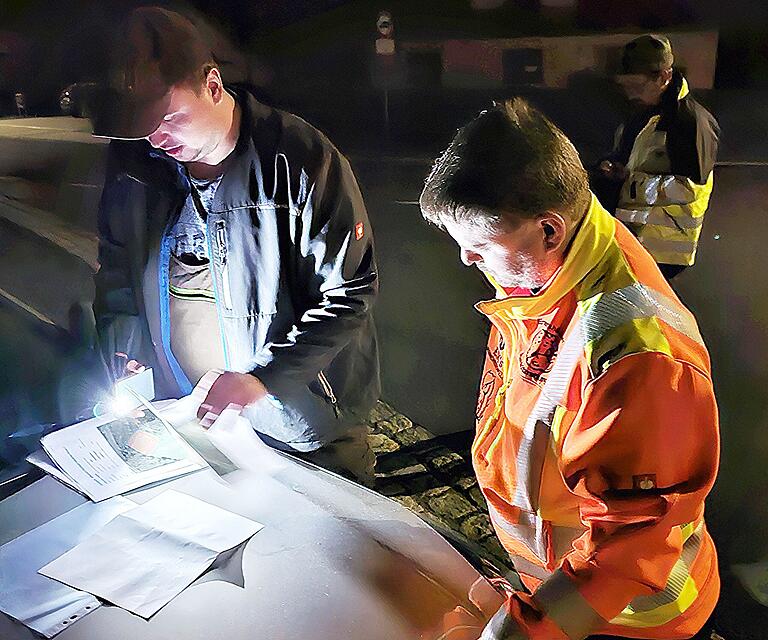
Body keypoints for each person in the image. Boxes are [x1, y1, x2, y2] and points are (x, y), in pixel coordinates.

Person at [419, 99, 720, 639]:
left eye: (481, 247)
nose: (467, 260)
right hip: (568, 587)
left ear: (550, 230)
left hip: (628, 619)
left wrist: (529, 629)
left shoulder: (637, 357)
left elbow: (632, 547)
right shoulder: (545, 271)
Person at [88, 7, 379, 485]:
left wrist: (262, 378)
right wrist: (124, 352)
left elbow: (349, 294)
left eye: (170, 118)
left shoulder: (302, 159)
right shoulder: (137, 165)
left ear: (214, 85)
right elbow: (117, 271)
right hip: (187, 422)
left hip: (301, 425)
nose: (158, 140)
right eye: (144, 128)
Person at [595, 34, 719, 280]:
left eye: (637, 87)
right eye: (626, 87)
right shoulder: (645, 112)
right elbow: (632, 156)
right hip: (638, 241)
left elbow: (690, 189)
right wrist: (612, 165)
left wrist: (628, 182)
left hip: (665, 252)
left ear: (664, 77)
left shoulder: (691, 122)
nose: (630, 94)